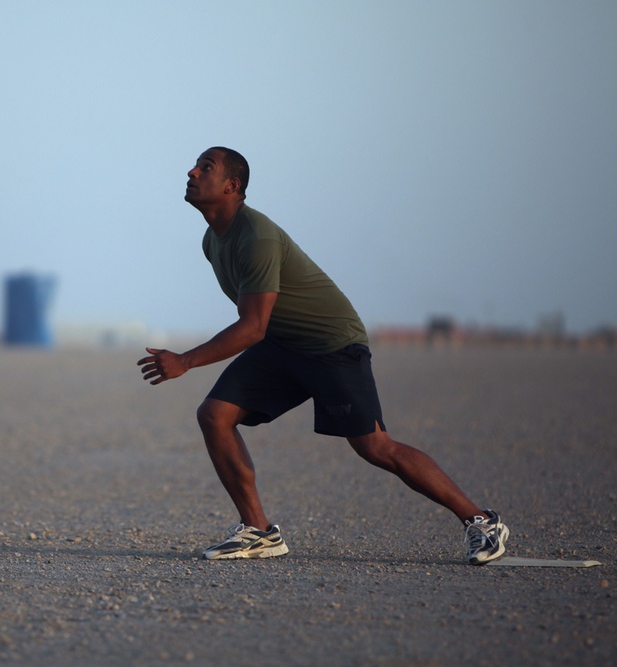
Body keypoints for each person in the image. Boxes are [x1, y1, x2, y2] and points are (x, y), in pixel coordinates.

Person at [137, 147, 508, 565]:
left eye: (206, 167)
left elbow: (252, 324)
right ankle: (258, 531)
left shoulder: (255, 236)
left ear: (231, 186)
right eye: (195, 164)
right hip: (282, 345)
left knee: (375, 447)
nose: (192, 171)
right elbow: (259, 323)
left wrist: (186, 361)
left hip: (331, 344)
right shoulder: (213, 240)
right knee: (214, 415)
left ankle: (481, 521)